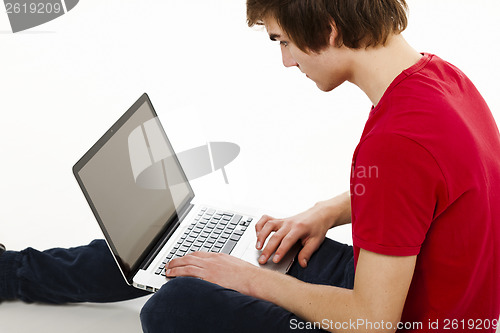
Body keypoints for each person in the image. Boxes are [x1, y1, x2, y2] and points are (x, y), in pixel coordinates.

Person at [1, 0, 499, 332]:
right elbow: (439, 187)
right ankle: (12, 272)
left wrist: (250, 280)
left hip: (397, 315)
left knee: (173, 307)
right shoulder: (441, 79)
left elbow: (372, 321)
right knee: (182, 246)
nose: (285, 61)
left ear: (326, 28)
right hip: (416, 287)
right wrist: (326, 210)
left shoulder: (396, 139)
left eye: (281, 40)